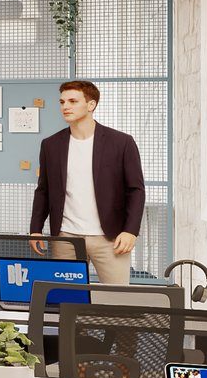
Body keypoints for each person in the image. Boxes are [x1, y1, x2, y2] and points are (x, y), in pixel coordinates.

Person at [29, 78, 143, 285]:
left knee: (117, 302)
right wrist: (35, 228)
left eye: (73, 101)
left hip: (110, 239)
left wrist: (130, 231)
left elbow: (135, 190)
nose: (65, 107)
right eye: (62, 102)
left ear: (91, 105)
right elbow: (43, 190)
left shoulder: (121, 142)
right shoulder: (51, 145)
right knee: (66, 301)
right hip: (65, 238)